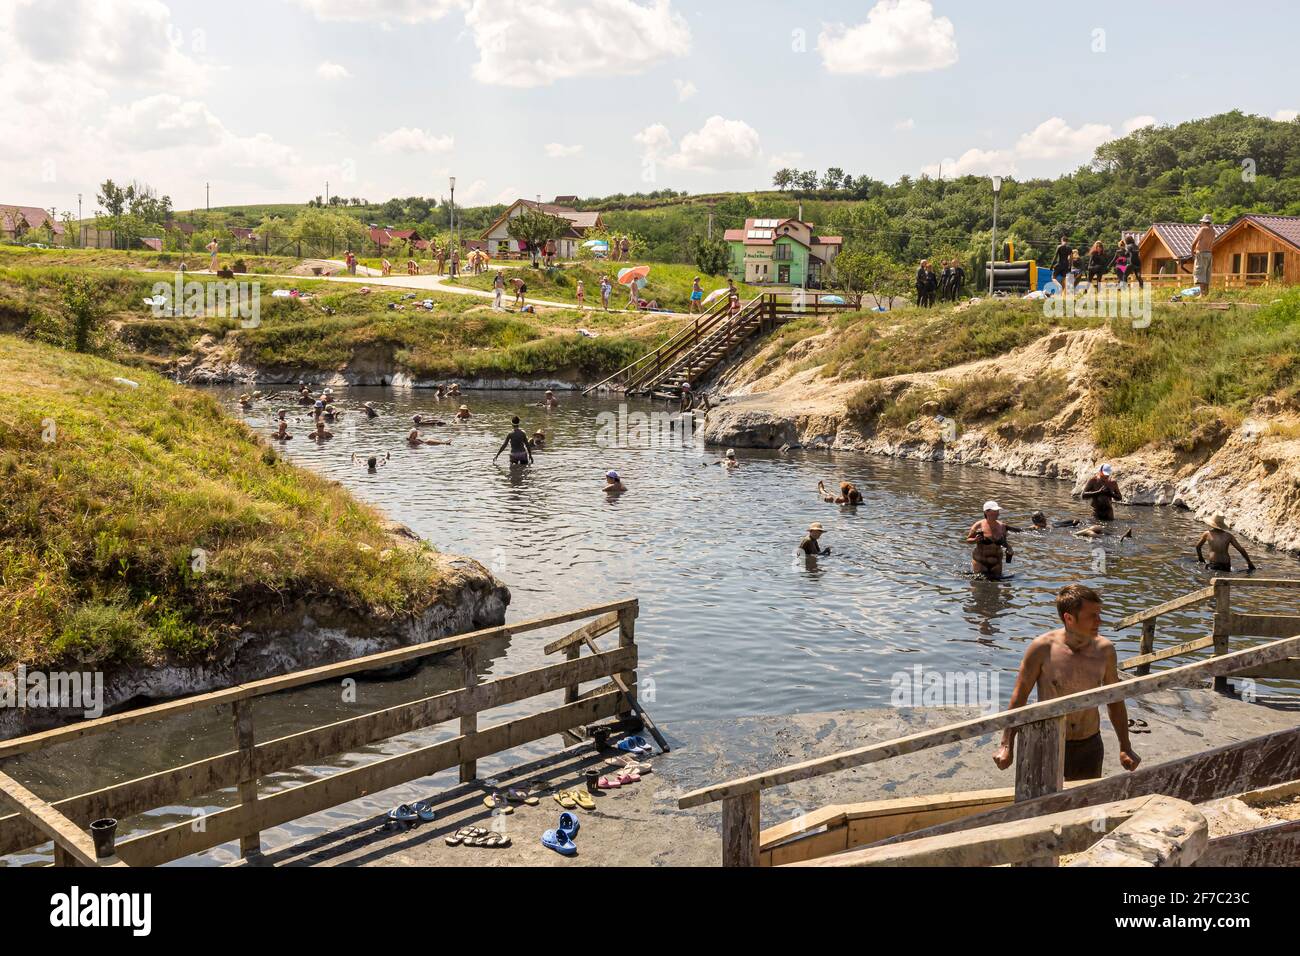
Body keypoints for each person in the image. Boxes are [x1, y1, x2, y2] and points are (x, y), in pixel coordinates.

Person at [993, 584, 1140, 781]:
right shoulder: (1042, 648)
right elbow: (1019, 697)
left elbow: (1114, 700)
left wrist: (1125, 746)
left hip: (1088, 743)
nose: (1100, 621)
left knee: (1083, 804)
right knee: (1040, 803)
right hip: (1046, 740)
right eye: (1092, 616)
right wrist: (1006, 744)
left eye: (1099, 614)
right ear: (1069, 619)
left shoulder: (1105, 650)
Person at [966, 499, 1013, 579]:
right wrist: (974, 540)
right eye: (994, 511)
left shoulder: (1002, 526)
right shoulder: (978, 525)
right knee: (978, 587)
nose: (997, 513)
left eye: (997, 511)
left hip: (997, 562)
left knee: (997, 589)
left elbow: (1003, 542)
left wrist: (1009, 547)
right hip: (980, 562)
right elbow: (968, 540)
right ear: (986, 512)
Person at [1192, 214, 1215, 296]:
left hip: (1201, 253)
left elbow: (1194, 242)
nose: (1201, 223)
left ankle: (1202, 294)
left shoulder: (1203, 229)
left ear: (1204, 222)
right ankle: (1206, 293)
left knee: (1200, 273)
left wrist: (1192, 252)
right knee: (1206, 274)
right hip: (1209, 253)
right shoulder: (1213, 231)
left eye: (1201, 222)